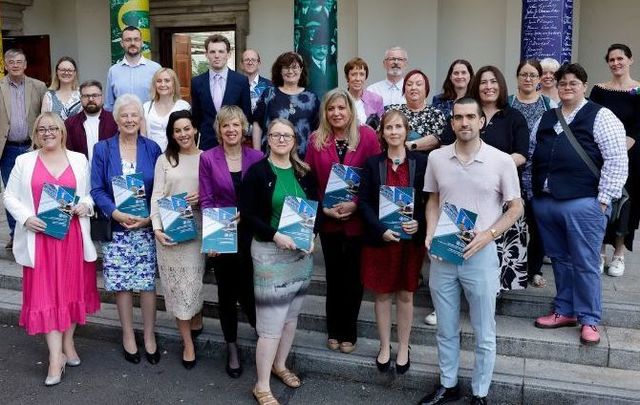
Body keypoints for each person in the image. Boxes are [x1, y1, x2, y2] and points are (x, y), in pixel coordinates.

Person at [419, 97, 523, 405]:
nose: (464, 123)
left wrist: (488, 235)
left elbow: (515, 207)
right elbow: (434, 201)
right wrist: (429, 232)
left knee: (483, 331)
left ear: (481, 122)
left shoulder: (501, 160)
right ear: (452, 123)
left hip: (481, 254)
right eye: (458, 117)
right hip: (444, 254)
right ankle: (448, 384)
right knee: (446, 328)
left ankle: (480, 394)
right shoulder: (436, 158)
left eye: (470, 117)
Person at [532, 63, 628, 346]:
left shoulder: (601, 115)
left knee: (585, 263)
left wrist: (603, 200)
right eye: (562, 83)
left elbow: (616, 158)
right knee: (561, 260)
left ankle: (589, 319)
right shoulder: (547, 117)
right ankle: (565, 310)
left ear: (584, 86)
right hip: (547, 202)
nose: (567, 87)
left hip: (584, 203)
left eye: (573, 83)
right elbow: (531, 153)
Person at [3, 112, 100, 386]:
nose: (48, 133)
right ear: (36, 133)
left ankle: (68, 344)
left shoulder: (79, 159)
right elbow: (9, 195)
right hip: (40, 240)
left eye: (53, 128)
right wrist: (25, 217)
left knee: (70, 294)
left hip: (72, 239)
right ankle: (55, 358)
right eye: (42, 129)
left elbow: (89, 194)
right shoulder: (24, 161)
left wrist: (85, 205)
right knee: (47, 298)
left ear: (62, 131)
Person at [240, 118, 317, 405]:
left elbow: (314, 211)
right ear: (267, 139)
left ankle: (280, 365)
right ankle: (261, 385)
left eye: (287, 135)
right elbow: (248, 214)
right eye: (275, 135)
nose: (281, 140)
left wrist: (313, 236)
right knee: (271, 325)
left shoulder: (305, 172)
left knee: (291, 317)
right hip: (270, 255)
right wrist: (274, 236)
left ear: (295, 140)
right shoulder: (258, 172)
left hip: (300, 255)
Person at [305, 88, 380, 354]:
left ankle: (349, 331)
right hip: (329, 223)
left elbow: (375, 179)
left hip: (357, 221)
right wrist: (323, 209)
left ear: (350, 109)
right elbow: (309, 183)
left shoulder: (368, 137)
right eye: (331, 109)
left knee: (353, 278)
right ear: (325, 112)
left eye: (341, 108)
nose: (336, 113)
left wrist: (356, 204)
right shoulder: (316, 140)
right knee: (334, 277)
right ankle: (333, 329)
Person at [90, 93, 163, 364]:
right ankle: (128, 335)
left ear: (140, 118)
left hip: (144, 227)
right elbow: (96, 188)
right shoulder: (102, 149)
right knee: (121, 284)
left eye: (134, 115)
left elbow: (160, 188)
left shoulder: (152, 148)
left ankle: (149, 336)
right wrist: (115, 212)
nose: (130, 119)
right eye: (124, 115)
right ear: (116, 119)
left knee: (146, 284)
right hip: (117, 228)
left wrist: (150, 218)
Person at [359, 109, 427, 374]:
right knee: (383, 294)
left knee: (406, 294)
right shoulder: (372, 163)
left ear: (406, 130)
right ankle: (385, 346)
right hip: (381, 241)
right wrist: (379, 230)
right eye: (389, 127)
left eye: (399, 127)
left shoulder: (420, 163)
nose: (394, 132)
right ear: (382, 132)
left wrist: (419, 221)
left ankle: (403, 346)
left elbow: (428, 199)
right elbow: (363, 202)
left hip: (410, 242)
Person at [199, 106, 263, 377]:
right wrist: (214, 234)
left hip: (252, 232)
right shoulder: (208, 158)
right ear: (219, 130)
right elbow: (206, 199)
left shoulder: (258, 157)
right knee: (226, 293)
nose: (231, 130)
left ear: (243, 127)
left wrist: (246, 217)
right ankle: (232, 346)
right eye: (226, 125)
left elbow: (262, 198)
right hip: (222, 233)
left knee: (250, 289)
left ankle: (263, 333)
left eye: (236, 125)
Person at [465, 65, 530, 292]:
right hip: (465, 191)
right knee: (464, 241)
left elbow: (521, 154)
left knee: (497, 246)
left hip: (502, 193)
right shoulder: (467, 113)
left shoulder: (514, 116)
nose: (488, 86)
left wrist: (490, 168)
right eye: (483, 82)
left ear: (501, 85)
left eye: (493, 81)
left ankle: (491, 296)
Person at [149, 110, 204, 369]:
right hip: (171, 230)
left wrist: (202, 198)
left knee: (193, 283)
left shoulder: (207, 158)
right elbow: (156, 195)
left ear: (194, 129)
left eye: (187, 128)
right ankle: (188, 343)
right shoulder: (164, 160)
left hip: (198, 229)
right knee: (180, 289)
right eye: (177, 130)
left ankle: (196, 317)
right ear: (171, 134)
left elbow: (217, 194)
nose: (183, 134)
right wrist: (157, 228)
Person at [590, 43, 640, 277]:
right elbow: (592, 118)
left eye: (620, 58)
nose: (616, 63)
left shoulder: (639, 90)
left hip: (632, 155)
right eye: (611, 59)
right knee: (601, 201)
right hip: (601, 155)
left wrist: (624, 146)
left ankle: (619, 255)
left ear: (630, 60)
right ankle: (598, 253)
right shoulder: (600, 90)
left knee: (626, 205)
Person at [508, 60, 553, 288]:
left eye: (532, 75)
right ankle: (511, 265)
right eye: (524, 74)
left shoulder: (548, 104)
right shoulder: (507, 103)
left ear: (539, 79)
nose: (528, 78)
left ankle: (534, 269)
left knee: (537, 222)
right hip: (510, 169)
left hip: (538, 171)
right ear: (517, 77)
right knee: (512, 220)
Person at [0, 48, 48, 249]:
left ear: (25, 65)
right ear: (5, 65)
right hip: (8, 149)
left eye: (20, 61)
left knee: (37, 189)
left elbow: (45, 115)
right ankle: (14, 233)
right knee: (11, 193)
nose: (16, 65)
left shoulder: (38, 86)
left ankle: (41, 227)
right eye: (11, 61)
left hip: (32, 147)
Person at [251, 51, 320, 158]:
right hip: (270, 157)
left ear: (301, 70)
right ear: (280, 71)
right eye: (286, 67)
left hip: (303, 159)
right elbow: (257, 125)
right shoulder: (268, 94)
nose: (290, 71)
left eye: (294, 67)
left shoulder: (312, 98)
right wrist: (257, 154)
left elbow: (318, 130)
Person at [191, 34, 252, 150]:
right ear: (206, 55)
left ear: (228, 54)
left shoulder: (241, 81)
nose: (217, 56)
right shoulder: (196, 82)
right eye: (212, 52)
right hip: (207, 145)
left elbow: (246, 115)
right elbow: (196, 117)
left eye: (221, 51)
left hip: (234, 143)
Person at [387, 69, 447, 152]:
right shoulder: (392, 111)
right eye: (409, 84)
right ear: (404, 90)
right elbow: (381, 135)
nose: (413, 87)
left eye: (418, 84)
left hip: (426, 161)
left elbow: (437, 139)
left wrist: (410, 145)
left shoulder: (436, 114)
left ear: (426, 89)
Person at [105, 26, 161, 111]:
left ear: (142, 42)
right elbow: (109, 105)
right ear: (122, 43)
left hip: (148, 122)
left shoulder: (156, 69)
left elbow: (161, 99)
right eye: (128, 40)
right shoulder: (113, 71)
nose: (133, 43)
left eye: (136, 39)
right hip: (121, 123)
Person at [65, 80, 118, 161]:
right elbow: (68, 152)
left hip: (109, 171)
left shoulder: (115, 120)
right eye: (86, 96)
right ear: (80, 98)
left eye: (95, 95)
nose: (90, 99)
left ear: (102, 97)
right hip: (81, 171)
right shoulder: (70, 123)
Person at [143, 68, 190, 152]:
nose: (163, 84)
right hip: (152, 155)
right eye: (159, 81)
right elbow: (143, 137)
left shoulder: (183, 107)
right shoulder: (146, 107)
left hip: (177, 154)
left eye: (167, 80)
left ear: (174, 84)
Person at [344, 57, 384, 128]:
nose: (358, 79)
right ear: (347, 77)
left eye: (362, 74)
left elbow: (381, 127)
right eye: (354, 74)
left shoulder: (376, 100)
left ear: (365, 77)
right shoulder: (340, 99)